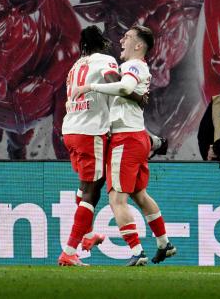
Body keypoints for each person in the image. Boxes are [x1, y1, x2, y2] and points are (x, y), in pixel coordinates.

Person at [74, 25, 176, 266]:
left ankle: (137, 251)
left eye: (128, 37)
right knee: (140, 195)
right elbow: (129, 92)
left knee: (116, 200)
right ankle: (164, 243)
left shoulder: (133, 65)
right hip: (137, 136)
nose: (121, 40)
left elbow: (125, 87)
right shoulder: (135, 67)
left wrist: (90, 86)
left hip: (125, 139)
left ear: (139, 46)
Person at [58, 25, 152, 266]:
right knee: (93, 190)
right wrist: (138, 96)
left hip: (70, 129)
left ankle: (88, 235)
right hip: (90, 133)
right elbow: (117, 85)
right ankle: (69, 250)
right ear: (101, 42)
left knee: (86, 186)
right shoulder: (105, 61)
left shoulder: (76, 65)